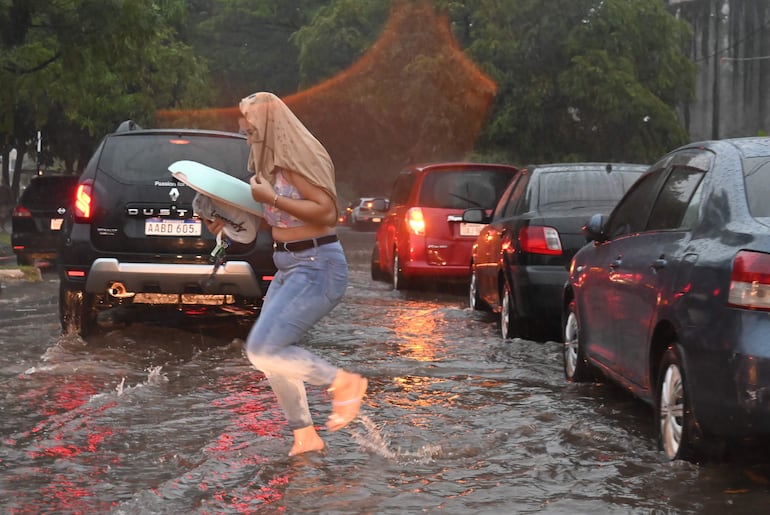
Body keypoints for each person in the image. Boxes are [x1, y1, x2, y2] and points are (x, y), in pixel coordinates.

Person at [204, 92, 368, 457]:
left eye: (250, 132)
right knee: (267, 354)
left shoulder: (294, 163)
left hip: (318, 266)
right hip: (288, 265)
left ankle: (344, 383)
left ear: (268, 129)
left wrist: (273, 198)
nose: (247, 140)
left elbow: (326, 213)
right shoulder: (270, 171)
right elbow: (271, 224)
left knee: (263, 349)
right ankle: (305, 435)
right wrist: (221, 221)